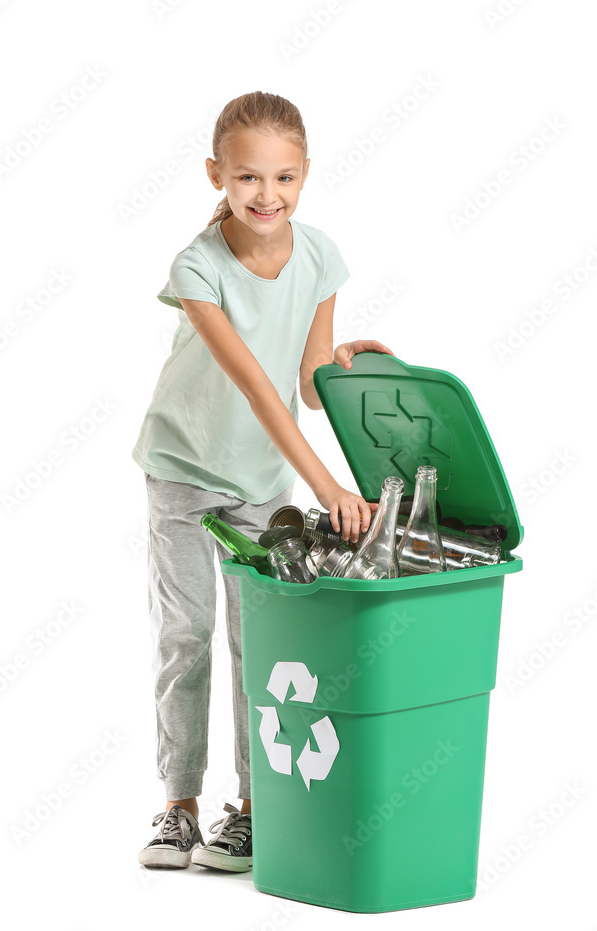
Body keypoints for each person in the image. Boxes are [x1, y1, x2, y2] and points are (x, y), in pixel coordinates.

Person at [132, 91, 394, 873]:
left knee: (262, 645)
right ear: (216, 174)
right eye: (247, 178)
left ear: (305, 175)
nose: (266, 196)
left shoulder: (319, 256)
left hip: (258, 483)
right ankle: (178, 804)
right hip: (181, 471)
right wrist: (329, 488)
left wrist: (344, 364)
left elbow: (304, 384)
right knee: (187, 636)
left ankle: (249, 809)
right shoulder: (196, 267)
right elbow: (253, 385)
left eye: (283, 178)